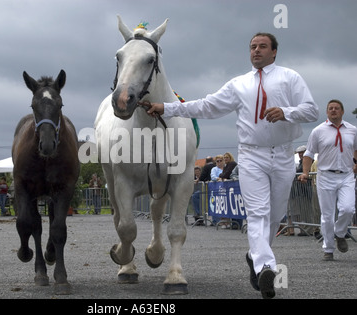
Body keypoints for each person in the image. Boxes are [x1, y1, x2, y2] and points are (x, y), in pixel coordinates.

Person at [140, 32, 319, 298]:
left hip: (282, 155)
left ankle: (255, 256)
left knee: (274, 215)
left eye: (262, 47)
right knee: (257, 212)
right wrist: (167, 108)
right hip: (251, 155)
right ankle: (265, 267)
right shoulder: (239, 84)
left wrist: (286, 112)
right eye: (252, 47)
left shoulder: (290, 78)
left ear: (274, 52)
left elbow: (312, 110)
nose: (256, 51)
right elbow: (206, 106)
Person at [298, 99, 357, 261]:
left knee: (348, 209)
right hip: (326, 176)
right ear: (327, 112)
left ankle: (340, 233)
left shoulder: (352, 130)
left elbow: (356, 149)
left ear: (342, 111)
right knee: (327, 215)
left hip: (346, 175)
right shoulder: (318, 131)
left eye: (336, 108)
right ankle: (328, 249)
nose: (333, 111)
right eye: (330, 108)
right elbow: (309, 154)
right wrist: (305, 173)